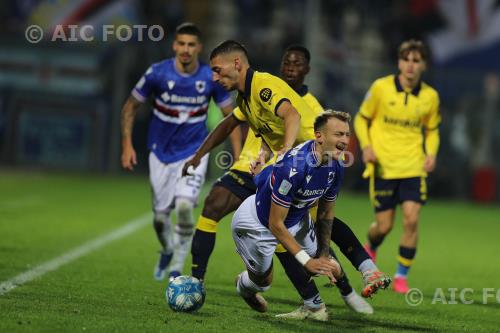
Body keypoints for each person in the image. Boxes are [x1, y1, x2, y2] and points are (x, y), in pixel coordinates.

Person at [184, 41, 390, 317]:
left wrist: (285, 152)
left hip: (309, 162)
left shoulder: (263, 85)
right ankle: (326, 291)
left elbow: (290, 115)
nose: (214, 78)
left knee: (312, 224)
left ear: (237, 64)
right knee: (302, 227)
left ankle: (354, 279)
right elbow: (245, 126)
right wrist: (204, 155)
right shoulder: (246, 97)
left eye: (218, 71)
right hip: (291, 165)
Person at [120, 23, 240, 281]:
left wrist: (239, 154)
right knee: (160, 218)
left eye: (191, 44)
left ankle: (177, 265)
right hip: (160, 152)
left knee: (185, 206)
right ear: (175, 45)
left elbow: (234, 118)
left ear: (199, 48)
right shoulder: (157, 73)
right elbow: (130, 107)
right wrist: (127, 144)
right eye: (182, 44)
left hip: (194, 150)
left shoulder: (211, 78)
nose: (186, 49)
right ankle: (166, 250)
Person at [231, 111, 352, 319]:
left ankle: (320, 303)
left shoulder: (336, 165)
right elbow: (275, 224)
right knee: (263, 282)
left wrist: (322, 253)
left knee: (328, 264)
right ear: (319, 136)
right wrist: (306, 261)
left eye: (347, 135)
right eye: (338, 134)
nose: (344, 141)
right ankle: (244, 286)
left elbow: (325, 212)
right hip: (258, 225)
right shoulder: (295, 166)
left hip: (295, 220)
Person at [354, 39, 441, 294]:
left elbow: (432, 130)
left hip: (413, 167)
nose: (410, 66)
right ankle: (372, 245)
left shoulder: (430, 97)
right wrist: (366, 146)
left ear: (423, 65)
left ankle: (401, 276)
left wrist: (431, 153)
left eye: (416, 61)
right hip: (383, 167)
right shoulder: (381, 88)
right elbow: (361, 119)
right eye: (406, 60)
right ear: (399, 62)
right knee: (384, 227)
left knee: (412, 220)